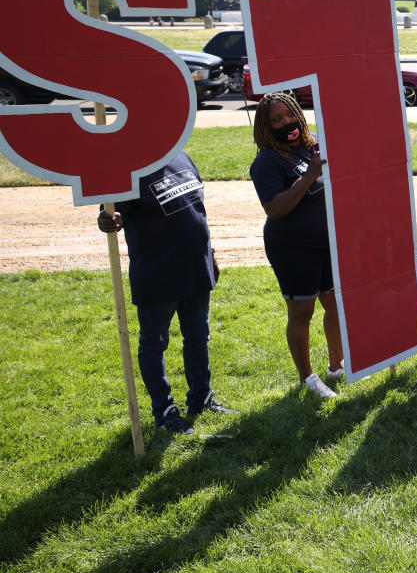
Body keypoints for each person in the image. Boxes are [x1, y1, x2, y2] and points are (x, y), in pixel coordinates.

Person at [96, 150, 234, 434]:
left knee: (198, 335)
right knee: (154, 342)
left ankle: (200, 399)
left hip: (196, 265)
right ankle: (164, 412)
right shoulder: (127, 167)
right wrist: (107, 220)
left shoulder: (180, 155)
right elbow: (109, 214)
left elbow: (196, 211)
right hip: (157, 273)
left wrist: (211, 255)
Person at [249, 91, 344, 399]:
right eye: (276, 119)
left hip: (326, 241)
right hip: (293, 247)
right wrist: (310, 176)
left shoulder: (311, 143)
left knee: (335, 305)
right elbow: (275, 208)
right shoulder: (266, 161)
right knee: (302, 312)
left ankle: (337, 365)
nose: (286, 123)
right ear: (265, 126)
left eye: (290, 115)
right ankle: (309, 378)